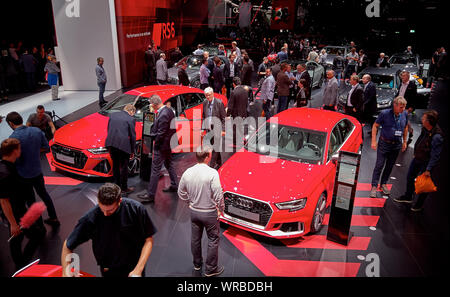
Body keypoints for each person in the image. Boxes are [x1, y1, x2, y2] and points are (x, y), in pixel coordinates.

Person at [61, 183, 156, 277]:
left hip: (135, 266)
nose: (106, 214)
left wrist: (138, 269)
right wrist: (66, 271)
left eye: (110, 210)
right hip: (109, 270)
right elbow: (68, 245)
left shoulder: (136, 209)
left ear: (119, 201)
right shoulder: (90, 219)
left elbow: (148, 240)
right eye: (102, 209)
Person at [178, 146, 225, 277]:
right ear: (207, 157)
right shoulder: (212, 173)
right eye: (210, 154)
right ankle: (210, 269)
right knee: (213, 239)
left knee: (195, 239)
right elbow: (218, 194)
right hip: (209, 212)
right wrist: (221, 209)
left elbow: (180, 192)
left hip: (194, 212)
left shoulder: (188, 172)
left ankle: (197, 264)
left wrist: (189, 202)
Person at [0, 138, 46, 271]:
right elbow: (4, 201)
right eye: (19, 148)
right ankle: (22, 264)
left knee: (17, 238)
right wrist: (13, 223)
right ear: (14, 151)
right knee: (35, 235)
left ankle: (20, 264)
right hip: (16, 212)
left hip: (18, 208)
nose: (21, 150)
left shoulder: (8, 165)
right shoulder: (5, 173)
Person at [6, 112, 59, 226]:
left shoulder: (13, 138)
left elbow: (13, 159)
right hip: (37, 171)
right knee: (44, 195)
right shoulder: (36, 131)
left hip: (23, 175)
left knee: (30, 200)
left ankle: (39, 226)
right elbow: (46, 147)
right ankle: (54, 217)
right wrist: (34, 152)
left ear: (10, 123)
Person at [393, 110, 443, 211]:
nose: (421, 119)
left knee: (424, 184)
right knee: (410, 176)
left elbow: (435, 155)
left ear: (429, 121)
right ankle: (408, 196)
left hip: (426, 162)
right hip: (418, 158)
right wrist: (416, 152)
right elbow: (420, 141)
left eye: (424, 118)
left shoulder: (437, 136)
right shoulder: (425, 129)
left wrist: (428, 169)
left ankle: (419, 205)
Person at [137, 95, 178, 203]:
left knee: (155, 170)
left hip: (162, 146)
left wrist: (155, 143)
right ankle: (174, 185)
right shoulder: (168, 110)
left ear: (155, 104)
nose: (150, 106)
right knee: (169, 164)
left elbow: (161, 133)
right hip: (168, 144)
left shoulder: (163, 114)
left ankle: (150, 195)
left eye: (151, 104)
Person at [370, 96, 409, 198]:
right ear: (394, 106)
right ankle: (374, 186)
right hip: (384, 144)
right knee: (379, 165)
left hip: (396, 145)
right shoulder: (384, 114)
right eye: (401, 107)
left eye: (404, 107)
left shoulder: (404, 114)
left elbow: (405, 128)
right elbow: (375, 126)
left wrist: (404, 141)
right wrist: (373, 141)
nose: (403, 109)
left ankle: (383, 183)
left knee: (389, 166)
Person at [105, 104, 136, 195]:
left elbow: (109, 129)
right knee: (124, 167)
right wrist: (132, 150)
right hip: (123, 146)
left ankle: (116, 186)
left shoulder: (113, 115)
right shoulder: (130, 119)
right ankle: (124, 188)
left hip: (111, 144)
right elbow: (133, 136)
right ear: (131, 111)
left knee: (115, 165)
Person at [202, 87, 226, 169]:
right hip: (209, 130)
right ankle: (220, 163)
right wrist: (203, 128)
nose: (207, 97)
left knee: (215, 148)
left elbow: (224, 119)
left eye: (209, 95)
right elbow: (204, 116)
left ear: (212, 94)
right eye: (206, 96)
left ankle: (211, 167)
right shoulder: (205, 102)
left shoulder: (219, 103)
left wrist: (223, 130)